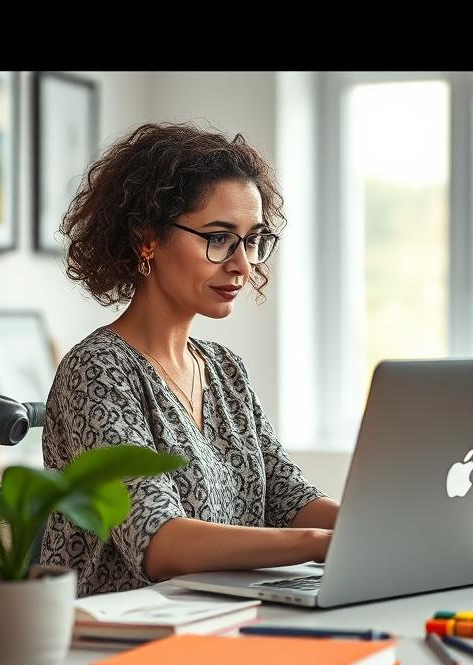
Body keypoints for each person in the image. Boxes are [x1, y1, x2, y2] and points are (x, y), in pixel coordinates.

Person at [40, 123, 338, 596]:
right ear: (147, 239)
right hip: (120, 639)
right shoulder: (96, 371)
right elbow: (158, 543)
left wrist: (372, 527)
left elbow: (287, 498)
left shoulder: (224, 370)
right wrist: (312, 544)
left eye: (252, 239)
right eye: (219, 238)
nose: (243, 264)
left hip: (221, 624)